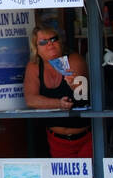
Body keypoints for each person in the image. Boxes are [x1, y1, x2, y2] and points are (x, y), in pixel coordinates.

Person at [22, 25, 90, 157]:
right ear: (36, 48)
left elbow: (83, 93)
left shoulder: (73, 59)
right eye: (43, 42)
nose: (50, 44)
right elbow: (30, 99)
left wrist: (73, 84)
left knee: (90, 177)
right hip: (56, 140)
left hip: (86, 137)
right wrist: (59, 103)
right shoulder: (34, 66)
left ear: (60, 42)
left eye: (53, 39)